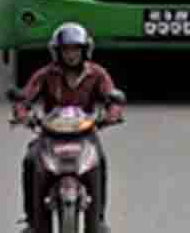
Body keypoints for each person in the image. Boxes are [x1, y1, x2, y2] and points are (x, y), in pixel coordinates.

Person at [13, 23, 124, 232]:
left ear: (85, 51)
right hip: (50, 136)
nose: (71, 55)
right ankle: (32, 220)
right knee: (30, 160)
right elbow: (25, 97)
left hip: (86, 135)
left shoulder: (97, 74)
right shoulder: (45, 75)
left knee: (99, 161)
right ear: (57, 52)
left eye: (75, 49)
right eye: (66, 50)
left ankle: (98, 219)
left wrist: (113, 113)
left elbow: (112, 97)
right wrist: (22, 114)